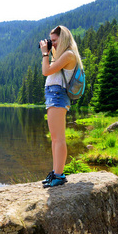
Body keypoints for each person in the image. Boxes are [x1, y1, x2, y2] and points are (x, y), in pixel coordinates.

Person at [39, 25, 83, 188]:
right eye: (51, 41)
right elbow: (50, 70)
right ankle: (55, 172)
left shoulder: (69, 54)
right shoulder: (62, 55)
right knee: (54, 138)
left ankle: (59, 175)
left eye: (55, 40)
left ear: (64, 38)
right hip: (53, 94)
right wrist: (50, 53)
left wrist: (45, 53)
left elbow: (46, 71)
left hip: (57, 95)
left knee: (59, 138)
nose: (52, 43)